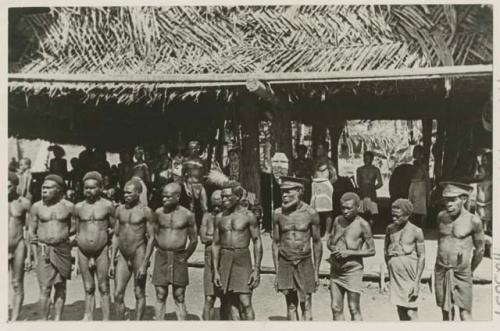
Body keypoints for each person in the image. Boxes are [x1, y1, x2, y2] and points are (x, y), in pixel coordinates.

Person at [272, 177, 322, 320]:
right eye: (282, 192)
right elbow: (275, 243)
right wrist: (277, 272)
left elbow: (317, 242)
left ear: (300, 191)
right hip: (285, 261)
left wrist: (316, 272)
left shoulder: (311, 213)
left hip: (304, 261)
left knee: (306, 304)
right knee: (291, 305)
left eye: (288, 191)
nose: (284, 195)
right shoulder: (277, 214)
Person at [212, 181, 263, 320]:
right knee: (228, 302)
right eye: (222, 197)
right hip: (225, 257)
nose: (223, 200)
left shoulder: (249, 216)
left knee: (245, 302)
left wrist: (256, 269)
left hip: (242, 258)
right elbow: (215, 244)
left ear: (238, 196)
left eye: (228, 197)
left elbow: (257, 241)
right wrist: (216, 271)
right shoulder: (219, 218)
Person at [435, 181, 484, 321]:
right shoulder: (441, 217)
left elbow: (480, 250)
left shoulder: (473, 221)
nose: (448, 204)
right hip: (441, 270)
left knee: (465, 313)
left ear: (463, 199)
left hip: (462, 273)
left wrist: (469, 269)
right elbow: (440, 242)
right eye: (446, 200)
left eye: (453, 200)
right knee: (446, 312)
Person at [29, 174, 75, 320]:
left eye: (49, 188)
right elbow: (31, 231)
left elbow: (74, 228)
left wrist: (64, 239)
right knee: (44, 287)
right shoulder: (36, 207)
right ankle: (44, 321)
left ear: (58, 190)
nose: (44, 190)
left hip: (62, 250)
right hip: (44, 250)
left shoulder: (68, 206)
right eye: (43, 187)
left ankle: (57, 320)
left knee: (61, 286)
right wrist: (32, 252)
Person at [108, 179, 155, 320]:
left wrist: (145, 263)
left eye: (129, 192)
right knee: (117, 293)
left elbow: (152, 237)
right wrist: (111, 261)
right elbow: (116, 235)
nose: (126, 195)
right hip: (122, 255)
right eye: (124, 192)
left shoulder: (146, 211)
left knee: (139, 292)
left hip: (138, 253)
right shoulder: (120, 209)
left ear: (138, 193)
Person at [152, 183, 198, 320]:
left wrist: (185, 256)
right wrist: (160, 248)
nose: (164, 199)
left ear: (177, 197)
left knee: (179, 295)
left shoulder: (187, 215)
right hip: (162, 256)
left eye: (168, 197)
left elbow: (194, 239)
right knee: (160, 294)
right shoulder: (158, 213)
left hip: (179, 257)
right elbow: (153, 235)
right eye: (163, 197)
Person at [327, 192, 375, 321]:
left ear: (357, 207)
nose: (345, 211)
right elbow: (330, 241)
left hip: (353, 270)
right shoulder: (337, 220)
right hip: (336, 270)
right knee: (335, 307)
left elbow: (371, 251)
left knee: (354, 307)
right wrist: (333, 248)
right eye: (343, 208)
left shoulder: (363, 224)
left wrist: (349, 253)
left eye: (349, 208)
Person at [74, 171, 115, 320]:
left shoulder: (108, 206)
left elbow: (114, 228)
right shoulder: (78, 207)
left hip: (101, 251)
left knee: (104, 287)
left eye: (92, 188)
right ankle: (89, 318)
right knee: (88, 287)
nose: (88, 191)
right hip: (83, 252)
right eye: (86, 188)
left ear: (100, 188)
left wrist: (106, 238)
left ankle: (106, 320)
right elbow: (76, 230)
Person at [384, 199, 425, 320]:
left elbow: (421, 256)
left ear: (407, 215)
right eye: (392, 215)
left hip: (410, 275)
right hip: (396, 276)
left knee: (411, 312)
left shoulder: (416, 231)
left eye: (398, 216)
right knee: (400, 309)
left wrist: (416, 282)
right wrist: (390, 270)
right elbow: (386, 251)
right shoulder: (390, 229)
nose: (394, 219)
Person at [8, 172, 32, 321]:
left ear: (16, 186)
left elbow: (29, 230)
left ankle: (14, 318)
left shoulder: (24, 203)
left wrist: (29, 255)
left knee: (17, 283)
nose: (5, 190)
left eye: (9, 187)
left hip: (18, 245)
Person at [199, 190, 222, 320]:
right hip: (209, 259)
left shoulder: (226, 217)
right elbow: (202, 238)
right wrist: (218, 239)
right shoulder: (207, 217)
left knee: (226, 298)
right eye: (214, 206)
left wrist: (211, 238)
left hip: (224, 258)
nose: (217, 209)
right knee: (209, 297)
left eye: (219, 206)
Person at [356, 151, 383, 225]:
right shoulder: (361, 170)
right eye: (365, 158)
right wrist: (372, 188)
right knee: (364, 214)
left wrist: (371, 188)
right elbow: (380, 184)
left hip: (367, 193)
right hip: (366, 193)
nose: (365, 160)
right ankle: (365, 230)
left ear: (372, 159)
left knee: (370, 214)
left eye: (367, 158)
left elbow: (380, 183)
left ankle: (368, 230)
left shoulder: (361, 170)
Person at [180, 159, 208, 231]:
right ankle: (192, 228)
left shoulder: (201, 162)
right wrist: (186, 187)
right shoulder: (187, 163)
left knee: (204, 207)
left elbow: (204, 174)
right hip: (190, 184)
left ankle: (202, 227)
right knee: (191, 207)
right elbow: (183, 176)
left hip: (199, 185)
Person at [408, 146, 430, 228]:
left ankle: (420, 228)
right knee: (411, 207)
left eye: (416, 152)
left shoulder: (423, 166)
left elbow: (427, 179)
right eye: (414, 151)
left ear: (421, 154)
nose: (414, 153)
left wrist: (428, 193)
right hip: (413, 185)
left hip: (420, 187)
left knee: (420, 209)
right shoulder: (414, 164)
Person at [310, 163, 334, 237]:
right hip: (315, 186)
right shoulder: (314, 163)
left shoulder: (329, 165)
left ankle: (327, 233)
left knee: (328, 211)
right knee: (315, 210)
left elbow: (334, 177)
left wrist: (327, 183)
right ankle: (316, 232)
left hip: (326, 188)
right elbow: (311, 176)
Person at [475, 151, 492, 234]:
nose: (478, 174)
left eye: (486, 160)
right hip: (479, 203)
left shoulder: (490, 181)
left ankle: (488, 228)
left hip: (488, 203)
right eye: (483, 160)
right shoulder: (478, 182)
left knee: (487, 217)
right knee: (481, 216)